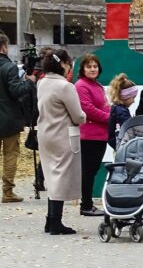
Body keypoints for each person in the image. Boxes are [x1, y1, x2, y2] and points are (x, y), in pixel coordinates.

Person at [37, 49, 86, 234]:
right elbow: (77, 115)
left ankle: (50, 220)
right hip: (63, 135)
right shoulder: (65, 86)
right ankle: (56, 222)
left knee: (51, 175)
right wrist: (84, 116)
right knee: (60, 176)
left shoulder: (42, 83)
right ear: (63, 64)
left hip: (45, 134)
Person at [0, 31, 36, 203]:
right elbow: (16, 91)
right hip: (9, 120)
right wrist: (29, 82)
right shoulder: (9, 68)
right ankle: (7, 192)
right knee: (10, 155)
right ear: (4, 47)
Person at [74, 54, 110, 217]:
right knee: (88, 171)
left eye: (95, 66)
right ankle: (86, 204)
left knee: (93, 170)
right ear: (82, 69)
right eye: (89, 66)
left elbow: (104, 105)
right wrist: (109, 118)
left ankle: (88, 203)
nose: (92, 69)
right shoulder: (81, 86)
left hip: (100, 134)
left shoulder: (98, 85)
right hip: (89, 135)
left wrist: (112, 114)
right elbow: (87, 109)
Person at [107, 74, 140, 150]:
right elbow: (128, 129)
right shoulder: (122, 112)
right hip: (123, 146)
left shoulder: (116, 108)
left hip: (117, 145)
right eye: (133, 97)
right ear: (125, 96)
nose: (134, 101)